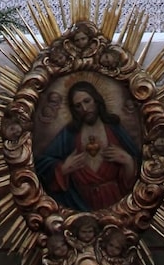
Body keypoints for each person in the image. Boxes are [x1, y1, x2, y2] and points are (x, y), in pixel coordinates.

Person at [34, 81, 141, 211]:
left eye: (87, 101)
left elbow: (139, 167)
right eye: (78, 106)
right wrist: (62, 168)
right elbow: (41, 165)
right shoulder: (69, 134)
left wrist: (128, 161)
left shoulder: (114, 129)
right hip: (78, 203)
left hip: (113, 201)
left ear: (96, 100)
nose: (84, 109)